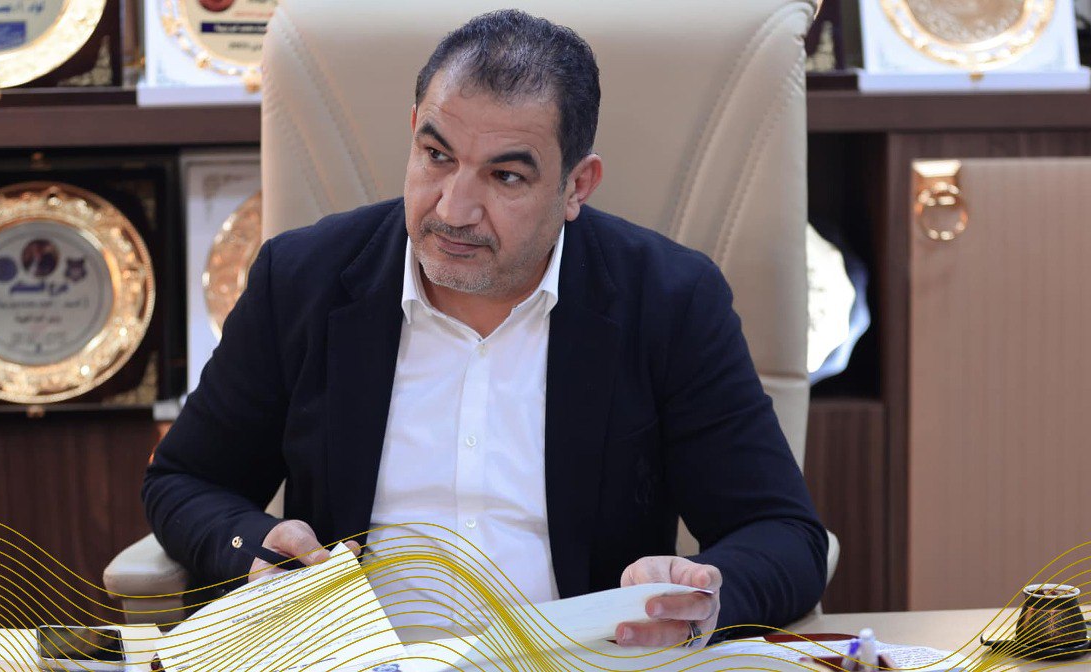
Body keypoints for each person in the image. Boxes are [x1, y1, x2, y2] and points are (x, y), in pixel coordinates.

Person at [143, 8, 826, 648]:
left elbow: (783, 535)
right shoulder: (303, 280)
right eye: (436, 156)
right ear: (414, 129)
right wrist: (250, 546)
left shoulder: (669, 300)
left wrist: (699, 594)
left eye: (505, 176)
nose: (453, 209)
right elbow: (184, 480)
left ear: (577, 187)